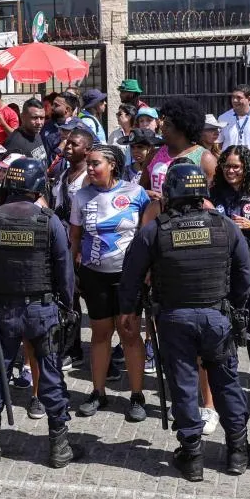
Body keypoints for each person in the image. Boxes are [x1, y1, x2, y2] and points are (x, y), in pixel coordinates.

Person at [119, 163, 250, 481]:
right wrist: (235, 309)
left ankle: (192, 456)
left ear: (169, 194)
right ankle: (237, 451)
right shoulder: (225, 227)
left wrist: (128, 311)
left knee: (183, 384)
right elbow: (245, 276)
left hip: (174, 319)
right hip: (216, 317)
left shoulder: (155, 230)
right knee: (226, 383)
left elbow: (132, 275)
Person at [0, 158, 81, 467]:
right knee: (51, 373)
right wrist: (67, 305)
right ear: (37, 188)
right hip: (42, 310)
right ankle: (59, 445)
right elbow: (64, 269)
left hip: (2, 311)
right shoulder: (48, 221)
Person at [71, 145, 150, 421]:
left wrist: (149, 269)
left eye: (96, 164)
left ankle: (137, 396)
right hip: (94, 275)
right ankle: (98, 392)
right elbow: (75, 236)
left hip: (128, 277)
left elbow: (148, 232)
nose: (90, 169)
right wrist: (72, 270)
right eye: (88, 164)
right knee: (100, 333)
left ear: (112, 164)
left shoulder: (135, 192)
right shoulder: (81, 196)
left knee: (129, 333)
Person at [210, 146, 250, 407]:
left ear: (246, 167)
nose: (231, 171)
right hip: (220, 268)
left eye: (236, 166)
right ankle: (226, 387)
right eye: (227, 166)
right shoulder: (213, 194)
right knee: (222, 328)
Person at [141, 96, 217, 200]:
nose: (162, 128)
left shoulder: (205, 159)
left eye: (167, 125)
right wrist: (146, 194)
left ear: (182, 128)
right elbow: (141, 189)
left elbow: (211, 199)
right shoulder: (154, 154)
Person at [52, 128, 92, 223]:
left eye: (74, 144)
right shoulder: (60, 176)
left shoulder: (90, 178)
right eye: (67, 143)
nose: (68, 147)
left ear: (87, 150)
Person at [4, 98, 47, 163]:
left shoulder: (36, 133)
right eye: (34, 118)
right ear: (22, 117)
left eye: (42, 118)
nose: (39, 122)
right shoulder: (14, 143)